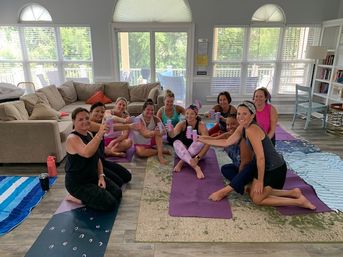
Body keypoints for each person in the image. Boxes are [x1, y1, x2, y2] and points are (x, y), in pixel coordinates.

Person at [199, 101, 316, 209]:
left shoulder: (252, 130)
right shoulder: (242, 127)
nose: (240, 117)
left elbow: (261, 157)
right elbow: (226, 142)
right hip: (262, 166)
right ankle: (293, 192)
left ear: (252, 115)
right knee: (251, 191)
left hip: (275, 169)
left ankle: (299, 202)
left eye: (245, 114)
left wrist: (260, 180)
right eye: (239, 113)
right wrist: (203, 139)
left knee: (257, 199)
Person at [64, 107, 121, 211]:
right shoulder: (72, 138)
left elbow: (97, 158)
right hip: (78, 183)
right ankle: (76, 198)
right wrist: (99, 133)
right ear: (73, 121)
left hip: (92, 177)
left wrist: (101, 176)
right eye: (80, 119)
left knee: (117, 193)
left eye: (87, 118)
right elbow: (87, 153)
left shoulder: (89, 134)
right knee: (110, 204)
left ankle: (91, 195)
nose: (85, 121)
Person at [201, 114, 254, 200]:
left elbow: (245, 163)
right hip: (238, 166)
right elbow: (214, 139)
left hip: (248, 169)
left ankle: (240, 184)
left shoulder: (243, 139)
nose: (229, 127)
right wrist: (201, 138)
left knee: (243, 172)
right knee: (225, 168)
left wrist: (240, 178)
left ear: (239, 124)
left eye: (233, 124)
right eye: (228, 124)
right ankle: (243, 186)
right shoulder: (227, 135)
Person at [89, 102, 133, 187]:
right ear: (90, 112)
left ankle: (111, 153)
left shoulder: (102, 125)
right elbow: (91, 125)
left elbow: (114, 128)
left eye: (102, 112)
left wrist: (131, 126)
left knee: (127, 176)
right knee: (119, 183)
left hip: (102, 161)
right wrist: (124, 121)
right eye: (97, 111)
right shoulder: (87, 125)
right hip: (93, 166)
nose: (100, 114)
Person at [168, 104, 210, 179]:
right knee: (176, 142)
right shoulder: (182, 124)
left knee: (200, 140)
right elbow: (172, 135)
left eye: (192, 114)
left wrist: (197, 158)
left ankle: (181, 162)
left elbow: (208, 143)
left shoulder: (201, 125)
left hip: (197, 155)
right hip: (183, 152)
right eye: (187, 113)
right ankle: (196, 168)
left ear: (196, 115)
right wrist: (170, 130)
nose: (189, 116)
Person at [132, 98, 170, 164]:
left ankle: (160, 155)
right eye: (148, 110)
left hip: (150, 141)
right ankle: (160, 151)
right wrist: (155, 132)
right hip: (140, 142)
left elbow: (164, 132)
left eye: (152, 110)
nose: (150, 112)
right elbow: (145, 134)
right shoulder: (138, 119)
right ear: (143, 110)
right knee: (140, 153)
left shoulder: (156, 119)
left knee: (159, 133)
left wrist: (162, 130)